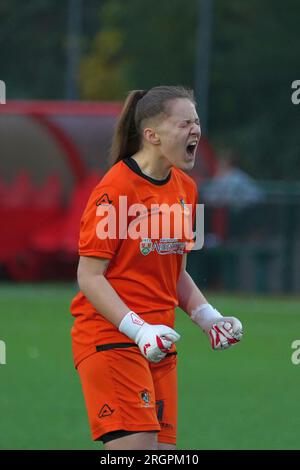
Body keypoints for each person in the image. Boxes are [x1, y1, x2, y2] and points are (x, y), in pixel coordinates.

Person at [70, 86, 243, 451]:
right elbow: (89, 276)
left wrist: (208, 317)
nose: (195, 130)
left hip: (159, 344)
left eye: (197, 122)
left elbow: (176, 273)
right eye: (184, 123)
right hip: (113, 340)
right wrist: (138, 329)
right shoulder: (115, 189)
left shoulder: (187, 189)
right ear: (152, 135)